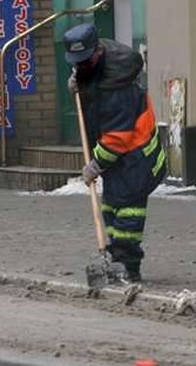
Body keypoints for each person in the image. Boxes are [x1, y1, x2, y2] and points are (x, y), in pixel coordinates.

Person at [65, 23, 167, 283]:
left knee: (128, 216)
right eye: (77, 63)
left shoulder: (118, 88)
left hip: (136, 159)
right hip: (121, 161)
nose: (81, 66)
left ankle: (128, 266)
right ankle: (115, 260)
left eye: (85, 62)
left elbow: (117, 140)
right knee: (111, 210)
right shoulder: (99, 63)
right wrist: (78, 87)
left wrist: (95, 165)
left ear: (97, 51)